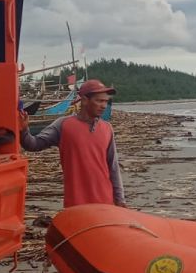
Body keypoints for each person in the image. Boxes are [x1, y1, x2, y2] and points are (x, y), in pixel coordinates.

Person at [19, 79, 126, 208]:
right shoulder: (63, 125)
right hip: (76, 204)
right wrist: (24, 130)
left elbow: (113, 167)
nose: (104, 105)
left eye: (105, 101)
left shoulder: (107, 128)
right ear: (85, 100)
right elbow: (33, 144)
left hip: (105, 202)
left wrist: (120, 200)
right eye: (99, 101)